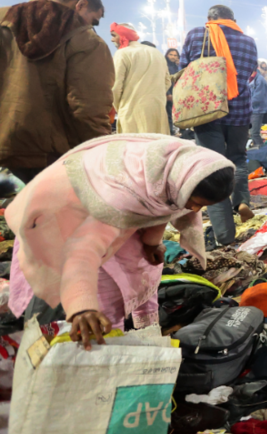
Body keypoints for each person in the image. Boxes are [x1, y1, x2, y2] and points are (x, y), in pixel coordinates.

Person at [6, 135, 234, 348]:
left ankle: (113, 339)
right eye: (194, 202)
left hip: (112, 213)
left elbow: (162, 204)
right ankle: (77, 353)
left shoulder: (179, 167)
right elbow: (80, 252)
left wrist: (152, 241)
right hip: (65, 217)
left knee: (140, 268)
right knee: (85, 297)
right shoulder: (120, 197)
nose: (195, 210)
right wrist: (81, 307)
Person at [0, 0, 113, 185]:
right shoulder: (86, 40)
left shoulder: (3, 20)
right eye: (93, 20)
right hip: (50, 152)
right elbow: (89, 107)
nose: (92, 26)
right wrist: (100, 152)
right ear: (80, 5)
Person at [178, 4, 259, 245]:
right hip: (240, 110)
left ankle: (224, 235)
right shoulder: (248, 41)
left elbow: (185, 69)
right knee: (238, 159)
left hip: (207, 111)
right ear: (233, 20)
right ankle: (242, 200)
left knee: (212, 169)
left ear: (209, 19)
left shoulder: (196, 34)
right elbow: (252, 74)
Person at [109, 22, 170, 135]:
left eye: (114, 35)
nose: (112, 40)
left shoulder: (122, 54)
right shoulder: (156, 52)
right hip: (157, 109)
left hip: (132, 111)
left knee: (136, 149)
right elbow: (167, 81)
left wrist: (120, 106)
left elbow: (115, 87)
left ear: (123, 35)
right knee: (157, 148)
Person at [248, 69, 267, 147]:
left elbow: (258, 97)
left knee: (254, 133)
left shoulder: (260, 80)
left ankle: (261, 149)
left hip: (258, 110)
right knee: (252, 133)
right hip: (252, 109)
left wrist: (245, 104)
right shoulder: (251, 78)